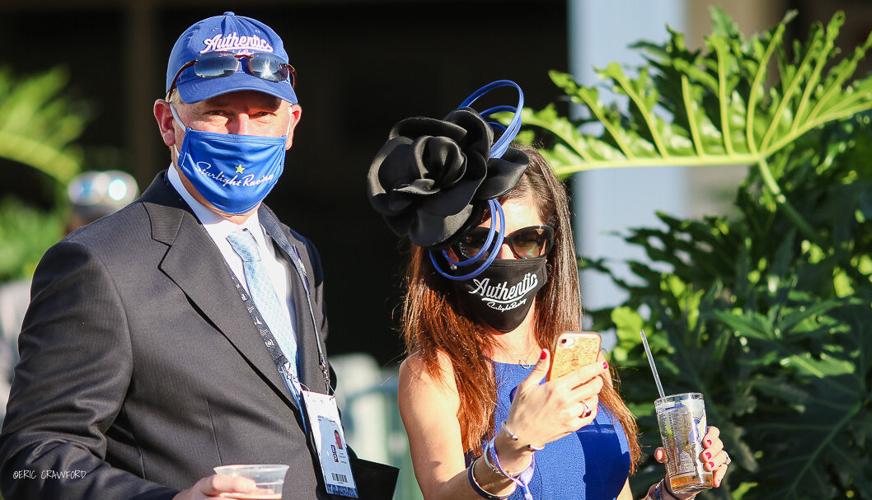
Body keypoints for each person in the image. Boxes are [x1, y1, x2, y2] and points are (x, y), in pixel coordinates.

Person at [0, 12, 352, 499]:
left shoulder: (296, 253)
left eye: (263, 112)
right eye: (218, 111)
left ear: (291, 125)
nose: (242, 133)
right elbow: (32, 462)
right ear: (168, 123)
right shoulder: (97, 264)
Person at [366, 82, 731, 499]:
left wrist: (674, 490)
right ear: (447, 250)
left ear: (551, 247)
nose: (503, 257)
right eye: (477, 241)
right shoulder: (435, 372)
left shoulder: (580, 362)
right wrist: (513, 445)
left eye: (526, 240)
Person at [0, 169, 139, 423]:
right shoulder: (10, 304)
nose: (103, 235)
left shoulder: (164, 295)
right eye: (91, 223)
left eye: (116, 223)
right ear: (67, 229)